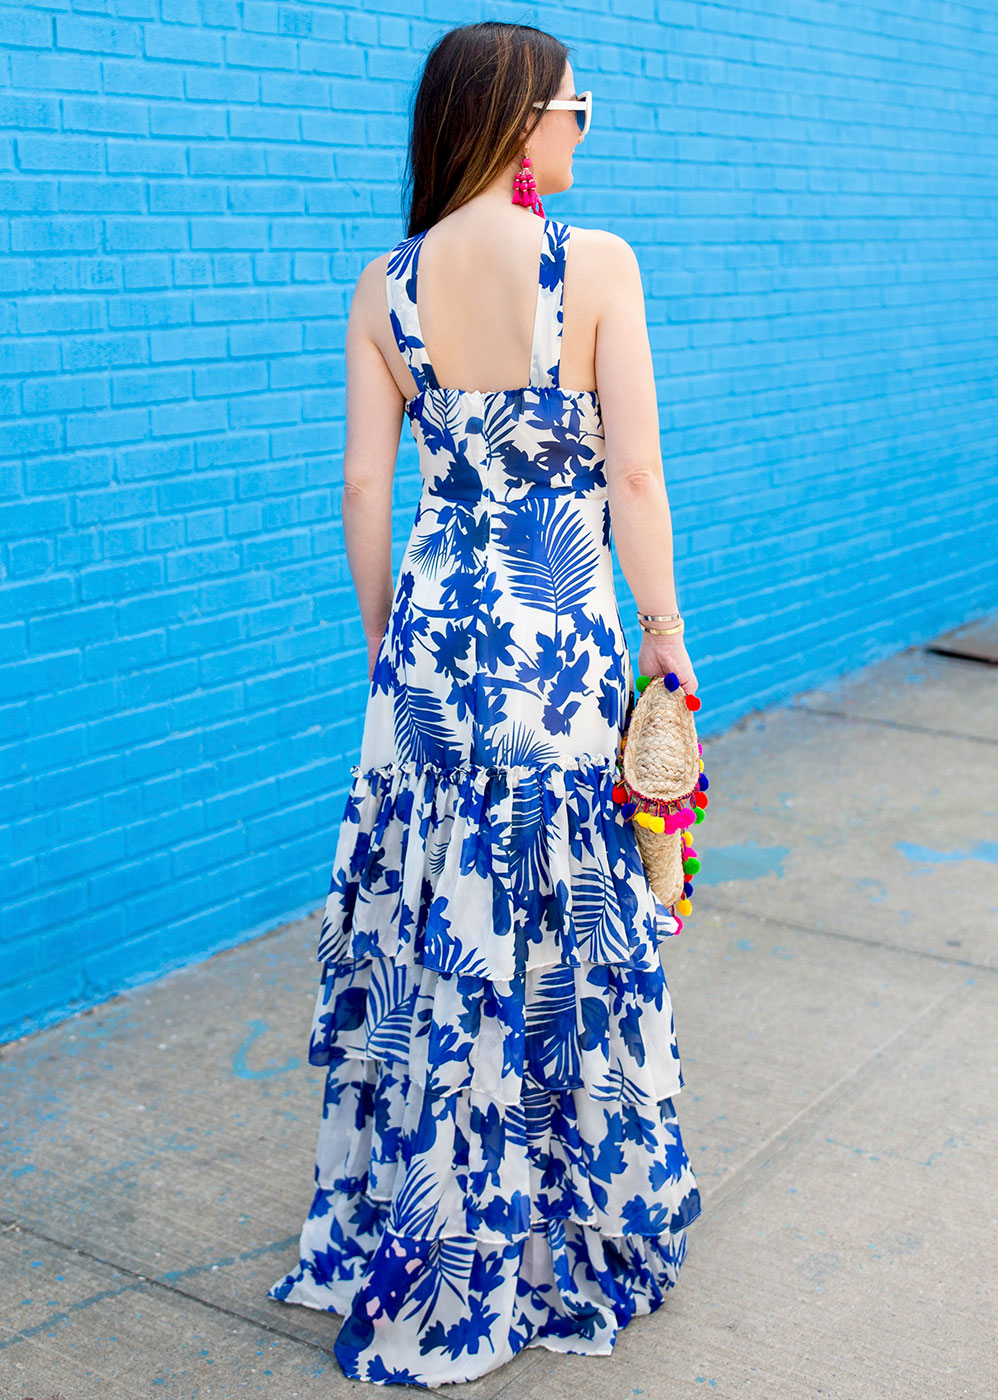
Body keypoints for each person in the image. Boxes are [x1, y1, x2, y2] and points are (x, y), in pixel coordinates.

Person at [267, 20, 703, 1388]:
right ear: (522, 117)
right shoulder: (598, 268)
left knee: (434, 933)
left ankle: (431, 1225)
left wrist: (391, 650)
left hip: (428, 658)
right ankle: (560, 1233)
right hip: (557, 656)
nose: (586, 128)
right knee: (562, 933)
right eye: (578, 106)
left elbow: (358, 492)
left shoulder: (383, 285)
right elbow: (631, 482)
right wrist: (666, 647)